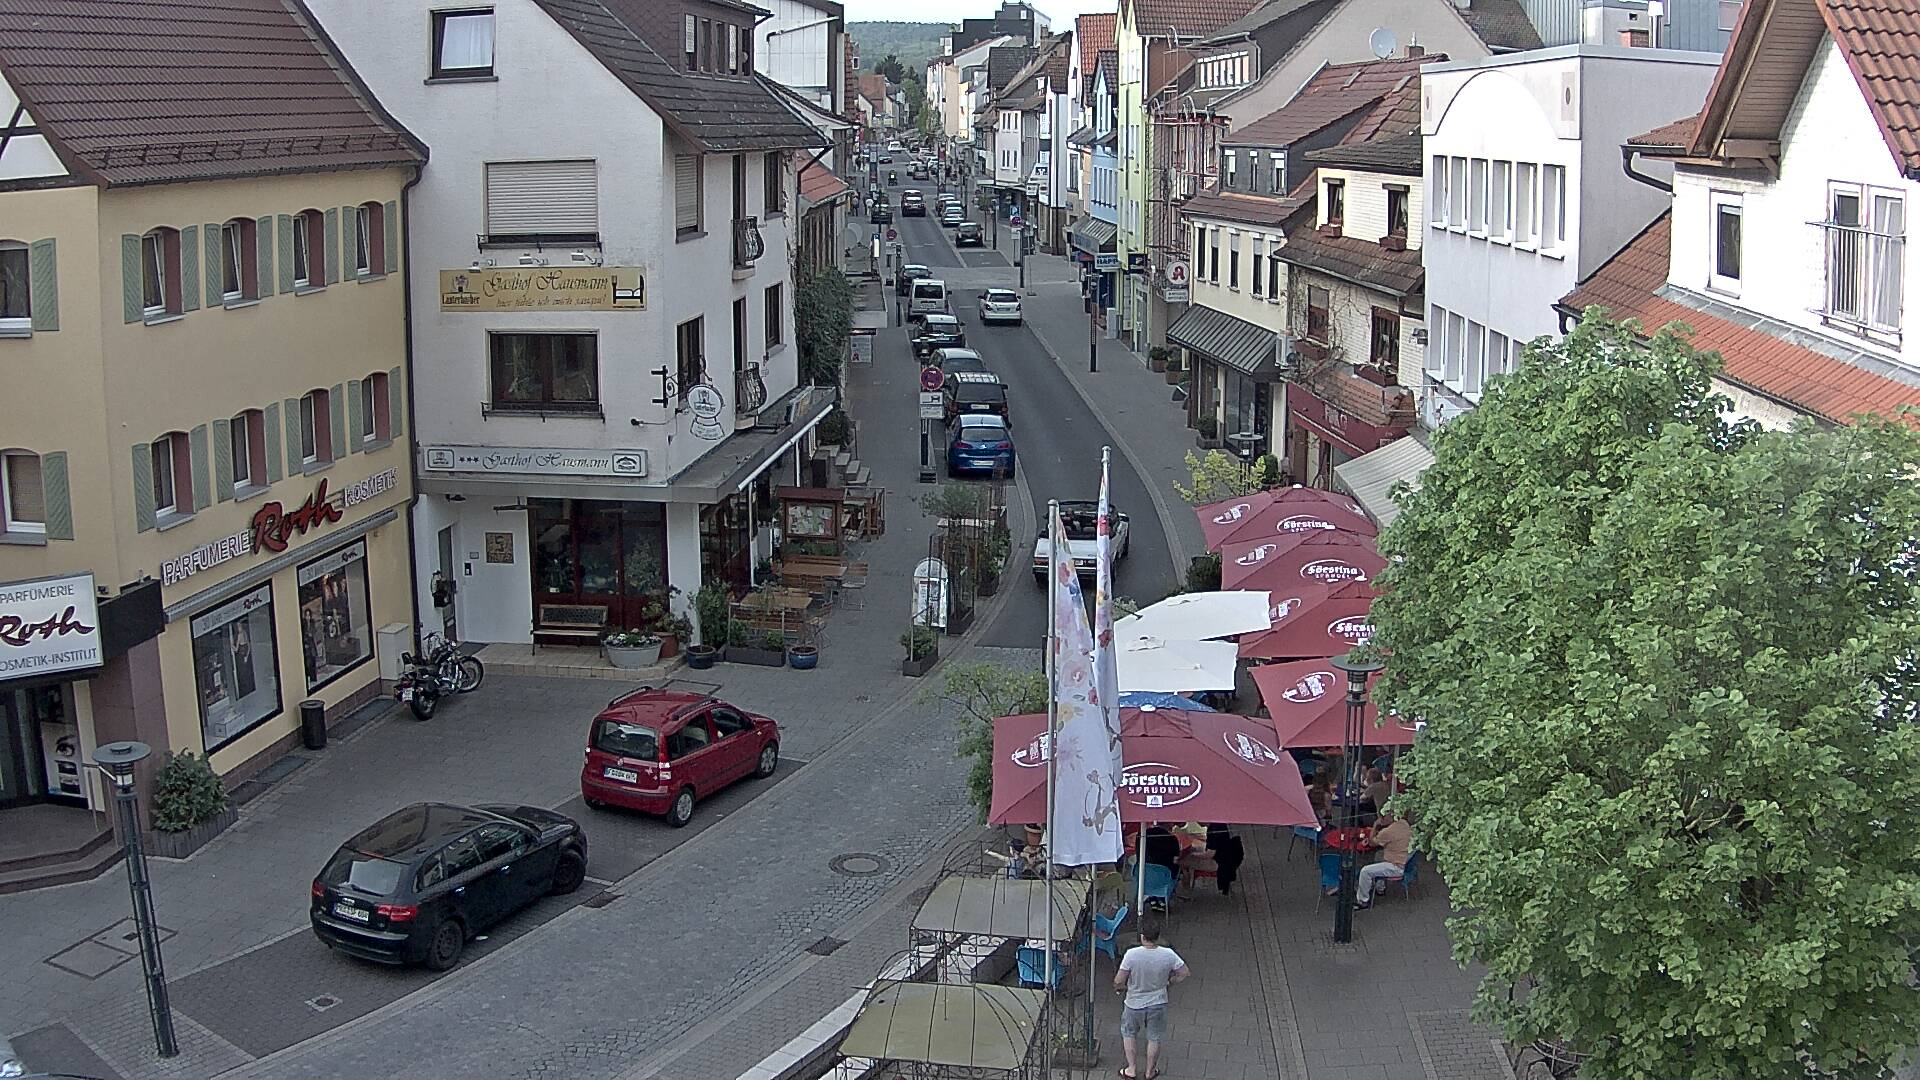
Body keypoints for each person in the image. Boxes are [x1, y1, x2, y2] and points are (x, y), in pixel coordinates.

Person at [1115, 917, 1188, 1080]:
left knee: (1129, 1033)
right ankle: (1150, 1071)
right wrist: (1170, 982)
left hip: (1134, 1002)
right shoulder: (1168, 954)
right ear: (1157, 936)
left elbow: (1119, 980)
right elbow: (1184, 972)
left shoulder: (1132, 955)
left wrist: (1120, 988)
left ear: (1142, 936)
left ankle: (1131, 1070)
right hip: (1158, 1001)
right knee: (1154, 1037)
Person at [1356, 809, 1414, 908]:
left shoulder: (1388, 832)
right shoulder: (1404, 823)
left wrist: (1375, 826)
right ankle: (1380, 887)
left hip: (1395, 866)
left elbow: (1371, 843)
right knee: (1379, 854)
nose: (1381, 818)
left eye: (1383, 816)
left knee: (1365, 871)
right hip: (1404, 860)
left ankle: (1362, 900)